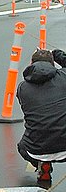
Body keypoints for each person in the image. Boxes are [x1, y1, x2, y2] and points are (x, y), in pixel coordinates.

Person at [17, 48, 66, 183]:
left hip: (37, 150)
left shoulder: (22, 88)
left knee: (22, 147)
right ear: (53, 64)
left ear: (31, 64)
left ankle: (42, 166)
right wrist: (56, 53)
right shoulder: (64, 76)